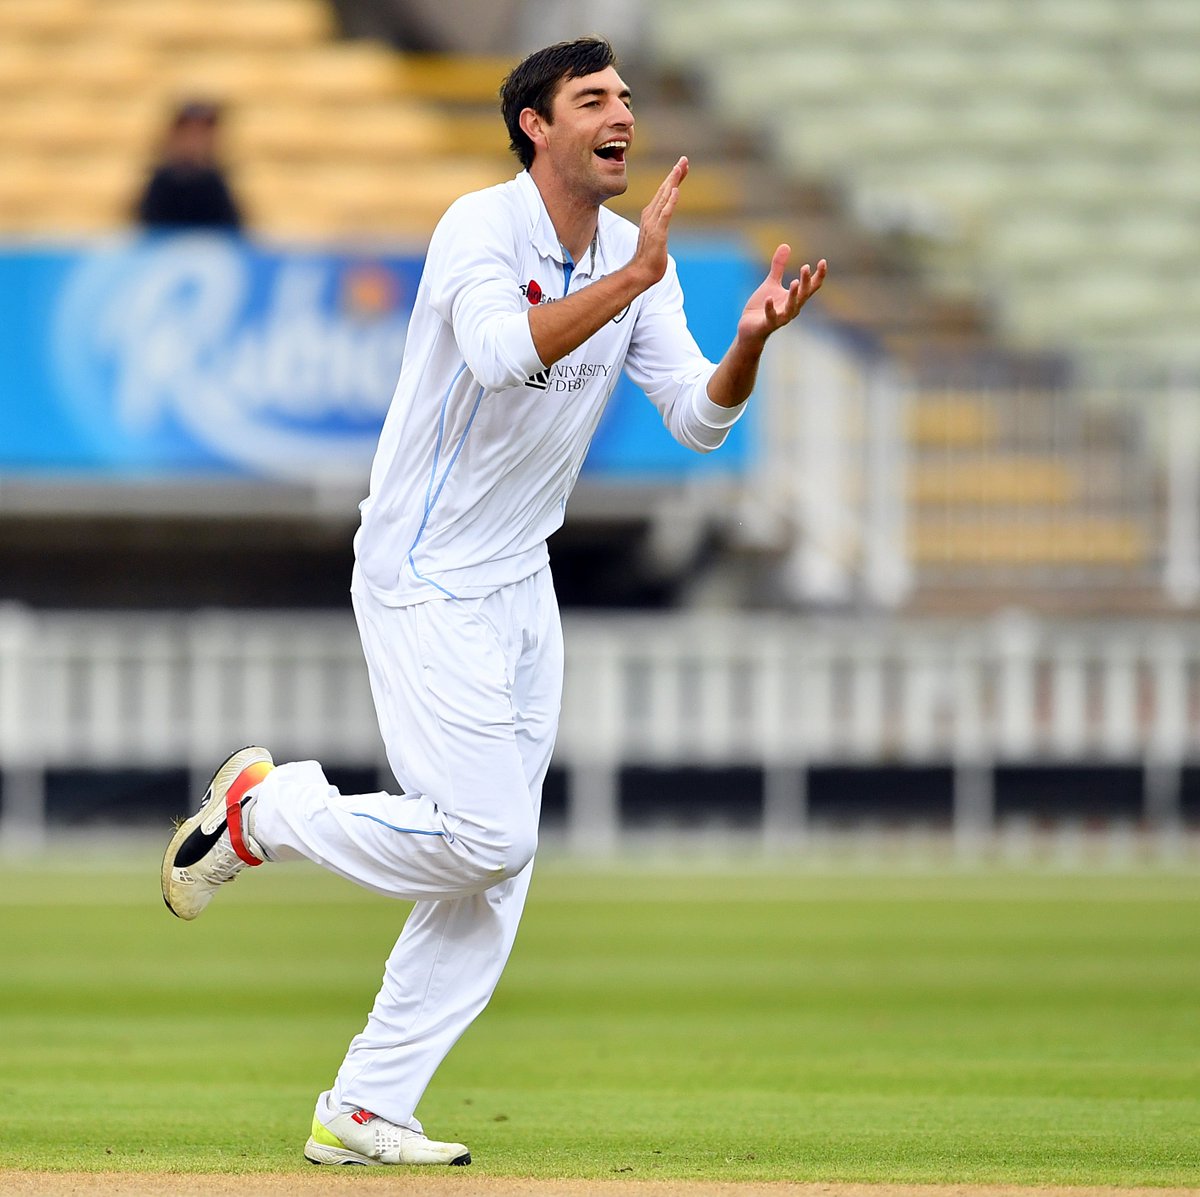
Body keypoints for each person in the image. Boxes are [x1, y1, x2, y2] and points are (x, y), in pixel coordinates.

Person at [160, 36, 826, 1168]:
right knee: (488, 834)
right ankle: (265, 815)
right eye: (594, 98)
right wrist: (631, 281)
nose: (622, 113)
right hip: (423, 570)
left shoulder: (633, 256)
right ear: (535, 124)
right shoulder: (479, 227)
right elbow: (498, 352)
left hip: (522, 579)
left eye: (626, 96)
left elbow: (698, 421)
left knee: (497, 868)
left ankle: (365, 1105)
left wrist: (749, 347)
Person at [134, 99, 243, 232]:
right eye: (189, 131)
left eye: (203, 132)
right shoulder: (160, 181)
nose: (196, 140)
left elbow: (231, 229)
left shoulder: (216, 182)